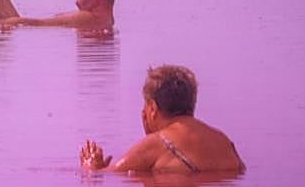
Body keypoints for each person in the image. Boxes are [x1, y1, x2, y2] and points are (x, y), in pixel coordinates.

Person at [80, 64, 245, 173]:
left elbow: (108, 175)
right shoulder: (224, 142)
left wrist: (91, 168)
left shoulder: (157, 143)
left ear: (152, 108)